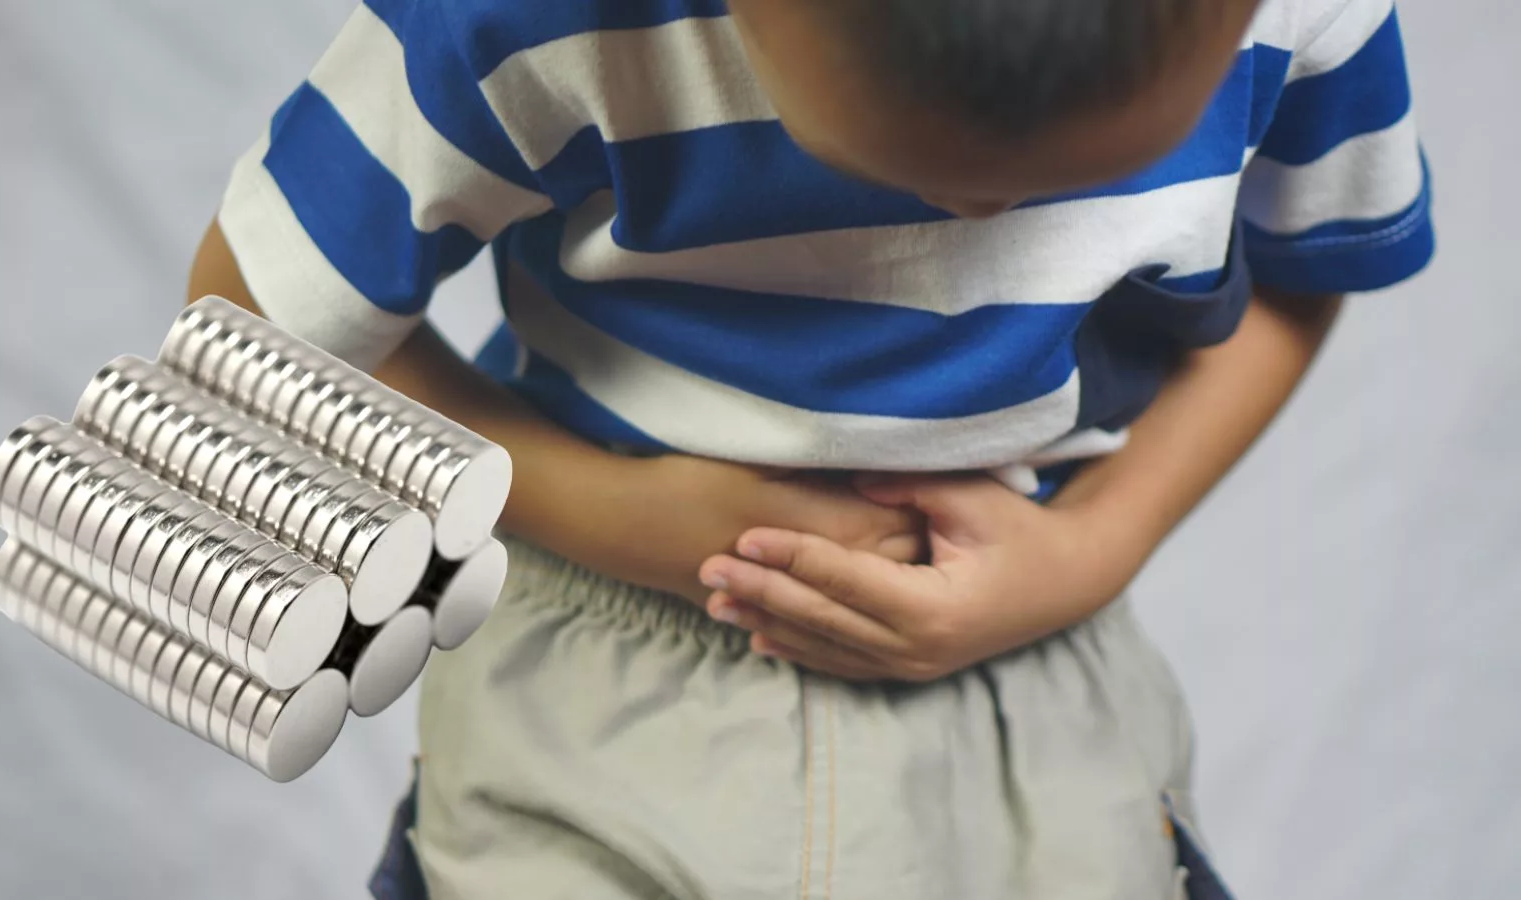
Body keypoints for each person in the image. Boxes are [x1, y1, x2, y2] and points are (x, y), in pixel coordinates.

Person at [188, 0, 1434, 896]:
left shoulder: (1309, 17)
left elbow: (1300, 268)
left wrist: (1098, 543)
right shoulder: (532, 19)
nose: (982, 210)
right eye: (908, 159)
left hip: (1034, 696)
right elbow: (252, 315)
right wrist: (611, 512)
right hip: (606, 703)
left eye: (1086, 167)